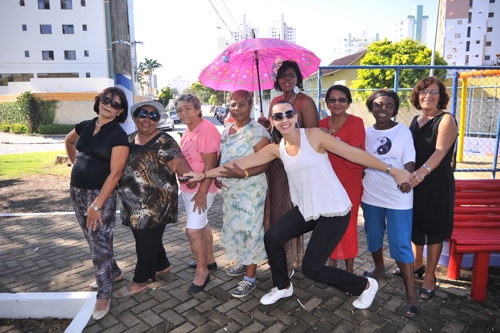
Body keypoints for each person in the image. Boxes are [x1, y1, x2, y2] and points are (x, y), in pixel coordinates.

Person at [184, 100, 411, 309]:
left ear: (295, 116)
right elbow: (234, 164)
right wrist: (202, 175)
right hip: (307, 209)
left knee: (313, 268)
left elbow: (355, 154)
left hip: (333, 209)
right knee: (272, 237)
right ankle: (283, 286)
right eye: (278, 117)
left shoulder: (314, 136)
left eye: (288, 114)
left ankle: (365, 286)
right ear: (272, 122)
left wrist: (393, 171)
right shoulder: (276, 149)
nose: (284, 120)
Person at [115, 100, 192, 298]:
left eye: (153, 116)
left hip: (156, 204)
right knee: (148, 238)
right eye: (143, 114)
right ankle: (162, 265)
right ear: (135, 117)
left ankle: (140, 280)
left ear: (158, 120)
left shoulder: (164, 141)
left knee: (145, 241)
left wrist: (190, 177)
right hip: (132, 204)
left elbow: (180, 164)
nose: (148, 119)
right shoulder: (129, 139)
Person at [64, 87, 129, 320]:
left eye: (115, 104)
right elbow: (69, 141)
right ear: (98, 100)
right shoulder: (84, 125)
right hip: (77, 191)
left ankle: (104, 293)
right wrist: (75, 164)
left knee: (99, 241)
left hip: (100, 195)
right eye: (106, 100)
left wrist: (97, 205)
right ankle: (114, 272)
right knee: (91, 238)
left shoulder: (117, 134)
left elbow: (116, 173)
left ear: (120, 111)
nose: (109, 105)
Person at [360, 89, 419, 317]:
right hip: (372, 194)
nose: (383, 108)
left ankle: (411, 293)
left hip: (398, 196)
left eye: (388, 105)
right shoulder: (365, 133)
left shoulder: (403, 132)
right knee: (373, 234)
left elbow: (410, 160)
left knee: (400, 243)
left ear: (395, 108)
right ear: (371, 107)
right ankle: (379, 266)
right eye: (378, 104)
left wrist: (406, 179)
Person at [258, 60, 319, 274]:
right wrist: (267, 125)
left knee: (290, 212)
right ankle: (277, 256)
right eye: (282, 76)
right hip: (276, 164)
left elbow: (313, 135)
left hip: (297, 164)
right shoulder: (275, 100)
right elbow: (276, 131)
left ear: (298, 79)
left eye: (291, 75)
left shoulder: (305, 101)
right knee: (275, 210)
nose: (286, 79)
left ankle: (291, 259)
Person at [215, 90, 271, 297]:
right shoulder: (227, 130)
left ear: (251, 106)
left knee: (250, 232)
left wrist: (244, 173)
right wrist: (218, 176)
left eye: (242, 105)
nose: (236, 109)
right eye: (233, 104)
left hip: (250, 190)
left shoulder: (257, 132)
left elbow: (267, 162)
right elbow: (223, 158)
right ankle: (243, 262)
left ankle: (250, 278)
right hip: (231, 192)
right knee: (236, 228)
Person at [408, 77, 458, 300]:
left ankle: (430, 275)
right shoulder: (415, 120)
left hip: (435, 181)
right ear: (417, 95)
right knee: (416, 225)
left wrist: (422, 172)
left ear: (441, 96)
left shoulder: (446, 119)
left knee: (435, 229)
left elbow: (440, 152)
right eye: (423, 91)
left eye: (433, 92)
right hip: (415, 180)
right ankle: (417, 264)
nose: (427, 95)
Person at [175, 93, 221, 293]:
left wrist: (202, 192)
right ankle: (209, 259)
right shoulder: (188, 130)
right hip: (188, 188)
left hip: (203, 188)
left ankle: (202, 272)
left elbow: (210, 165)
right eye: (179, 110)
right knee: (202, 224)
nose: (183, 113)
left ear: (197, 108)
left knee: (192, 230)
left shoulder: (206, 129)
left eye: (187, 108)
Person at [318, 85, 365, 274]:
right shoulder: (321, 124)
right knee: (329, 223)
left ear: (348, 102)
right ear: (327, 102)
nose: (336, 103)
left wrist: (332, 140)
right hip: (326, 181)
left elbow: (356, 152)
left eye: (341, 99)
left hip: (349, 180)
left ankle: (349, 272)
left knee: (348, 225)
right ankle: (331, 267)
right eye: (332, 99)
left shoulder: (356, 122)